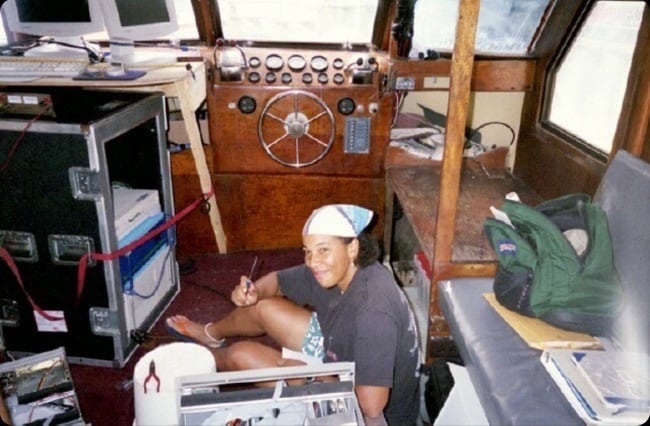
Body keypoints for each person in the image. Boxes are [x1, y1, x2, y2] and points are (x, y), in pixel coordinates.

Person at [166, 204, 421, 425]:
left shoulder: (373, 311)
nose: (312, 261)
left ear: (352, 247)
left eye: (323, 250)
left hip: (366, 410)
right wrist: (254, 292)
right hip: (341, 351)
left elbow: (371, 406)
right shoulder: (344, 270)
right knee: (263, 306)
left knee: (241, 356)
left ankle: (200, 364)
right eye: (307, 251)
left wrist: (313, 374)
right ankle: (210, 336)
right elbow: (277, 282)